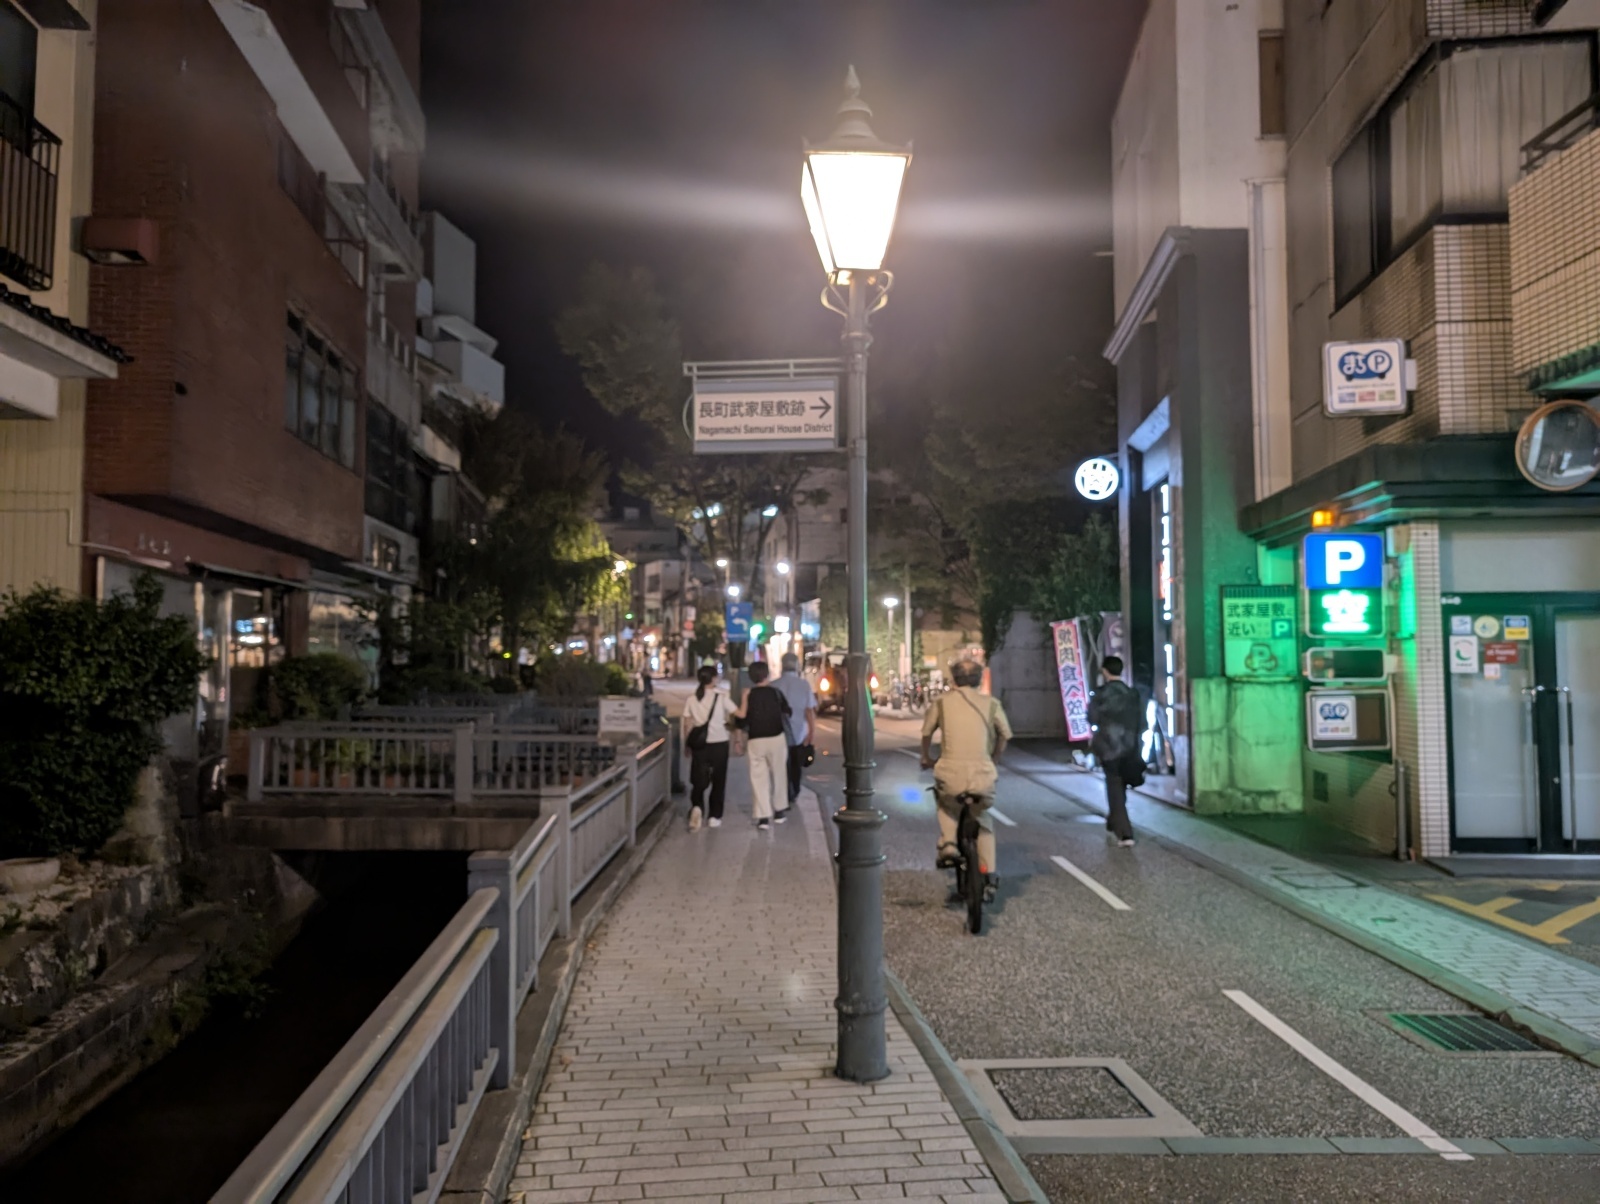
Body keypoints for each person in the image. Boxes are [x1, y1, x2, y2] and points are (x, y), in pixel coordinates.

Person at [920, 658, 1012, 900]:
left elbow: (927, 732)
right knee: (983, 819)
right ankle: (990, 875)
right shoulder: (991, 704)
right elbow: (1005, 734)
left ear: (954, 679)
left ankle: (949, 843)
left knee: (946, 803)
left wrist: (926, 757)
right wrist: (994, 758)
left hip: (950, 774)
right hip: (983, 774)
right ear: (980, 679)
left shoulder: (941, 703)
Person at [1087, 655, 1142, 847]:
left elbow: (1092, 718)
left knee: (1114, 788)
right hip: (1130, 747)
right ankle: (1114, 821)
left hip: (1108, 747)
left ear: (1104, 671)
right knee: (1121, 786)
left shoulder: (1100, 694)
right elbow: (1140, 721)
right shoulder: (1132, 694)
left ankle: (1125, 833)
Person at [730, 660, 792, 829]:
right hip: (776, 738)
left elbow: (740, 721)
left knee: (758, 778)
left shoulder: (747, 695)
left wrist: (738, 741)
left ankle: (763, 816)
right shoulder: (776, 694)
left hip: (755, 740)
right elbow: (788, 712)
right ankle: (779, 811)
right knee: (779, 774)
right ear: (768, 675)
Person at [681, 665, 730, 831]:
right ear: (714, 678)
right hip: (720, 743)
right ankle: (714, 816)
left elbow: (687, 724)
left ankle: (697, 807)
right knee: (718, 780)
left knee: (698, 779)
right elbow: (735, 714)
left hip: (699, 744)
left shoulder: (692, 698)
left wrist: (687, 744)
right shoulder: (722, 696)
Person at [771, 652, 818, 805]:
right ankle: (794, 791)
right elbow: (809, 710)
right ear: (797, 666)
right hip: (799, 733)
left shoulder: (774, 685)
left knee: (781, 766)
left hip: (778, 733)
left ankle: (784, 793)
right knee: (796, 766)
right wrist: (811, 732)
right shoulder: (804, 685)